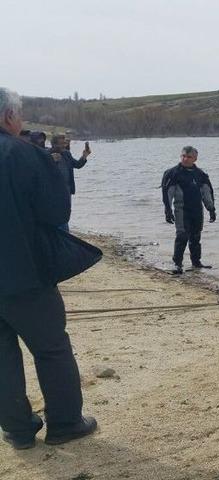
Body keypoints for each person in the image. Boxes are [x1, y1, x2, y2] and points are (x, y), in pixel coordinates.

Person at [0, 87, 97, 450]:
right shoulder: (26, 155)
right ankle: (65, 422)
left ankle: (17, 429)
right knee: (51, 347)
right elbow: (57, 213)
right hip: (24, 273)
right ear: (10, 117)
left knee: (1, 356)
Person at [161, 146, 216, 274]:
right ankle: (177, 264)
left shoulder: (200, 174)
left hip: (197, 209)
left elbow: (206, 192)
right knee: (182, 236)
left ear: (195, 158)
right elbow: (168, 193)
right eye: (183, 156)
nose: (185, 159)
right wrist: (167, 210)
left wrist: (211, 209)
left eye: (189, 157)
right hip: (181, 210)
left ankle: (196, 262)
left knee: (196, 237)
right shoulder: (173, 173)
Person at [50, 133, 92, 232]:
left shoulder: (66, 154)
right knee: (57, 212)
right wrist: (51, 160)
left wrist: (84, 156)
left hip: (67, 189)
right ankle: (60, 232)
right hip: (54, 190)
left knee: (66, 212)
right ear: (54, 144)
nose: (63, 146)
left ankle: (65, 233)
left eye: (64, 143)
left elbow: (77, 165)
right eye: (60, 144)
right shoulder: (47, 154)